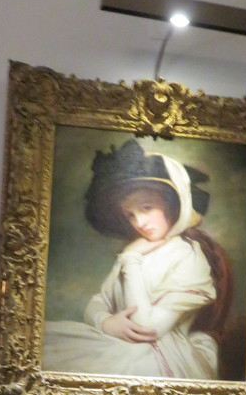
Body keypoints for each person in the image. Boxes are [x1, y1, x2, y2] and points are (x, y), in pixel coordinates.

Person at [42, 139, 232, 380]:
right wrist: (106, 322)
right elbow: (98, 301)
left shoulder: (188, 256)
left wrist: (131, 259)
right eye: (130, 215)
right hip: (115, 344)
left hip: (160, 356)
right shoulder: (136, 250)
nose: (139, 222)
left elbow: (147, 328)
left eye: (146, 207)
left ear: (171, 206)